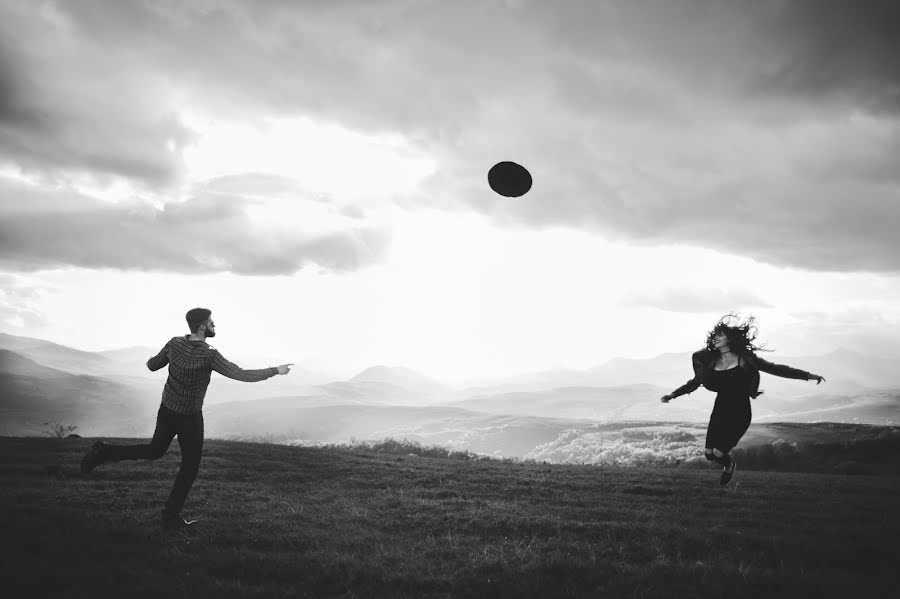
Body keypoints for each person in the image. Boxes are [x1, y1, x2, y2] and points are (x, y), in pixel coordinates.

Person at [80, 308, 293, 530]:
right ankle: (170, 516)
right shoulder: (209, 354)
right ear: (202, 326)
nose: (214, 325)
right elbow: (240, 374)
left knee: (154, 451)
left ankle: (103, 451)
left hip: (167, 410)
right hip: (189, 418)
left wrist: (151, 360)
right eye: (211, 322)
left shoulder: (174, 344)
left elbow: (153, 365)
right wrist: (275, 370)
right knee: (190, 467)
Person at [660, 314, 825, 486]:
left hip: (740, 411)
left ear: (729, 338)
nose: (715, 338)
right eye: (715, 335)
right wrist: (673, 395)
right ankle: (727, 462)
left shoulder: (746, 359)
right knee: (709, 454)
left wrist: (807, 376)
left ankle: (730, 465)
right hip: (720, 410)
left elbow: (775, 369)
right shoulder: (710, 362)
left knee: (718, 452)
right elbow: (695, 382)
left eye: (720, 335)